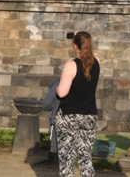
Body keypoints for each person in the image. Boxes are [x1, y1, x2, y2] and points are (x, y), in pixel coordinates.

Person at [56, 31, 100, 177]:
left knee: (67, 160)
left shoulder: (71, 65)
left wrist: (56, 87)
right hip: (89, 116)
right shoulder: (97, 63)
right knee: (85, 159)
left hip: (69, 117)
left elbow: (62, 92)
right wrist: (81, 36)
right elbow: (89, 58)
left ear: (75, 46)